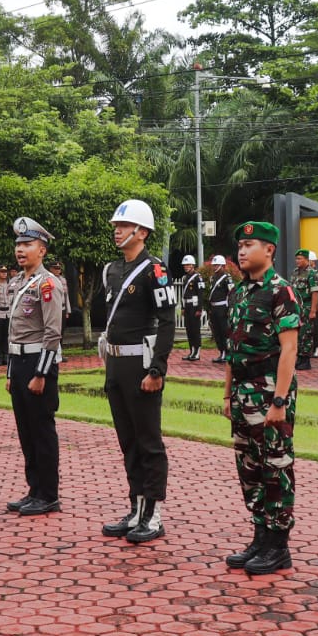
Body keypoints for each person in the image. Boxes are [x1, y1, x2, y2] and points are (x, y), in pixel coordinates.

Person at [97, 200, 178, 544]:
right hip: (116, 364)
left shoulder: (155, 270)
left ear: (141, 232)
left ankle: (152, 514)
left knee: (148, 441)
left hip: (142, 366)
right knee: (127, 440)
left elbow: (166, 322)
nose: (116, 229)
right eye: (115, 224)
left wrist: (157, 367)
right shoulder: (111, 270)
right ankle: (135, 506)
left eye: (124, 224)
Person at [222, 220, 301, 575]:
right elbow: (230, 347)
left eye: (249, 245)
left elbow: (289, 350)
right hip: (241, 392)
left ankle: (278, 545)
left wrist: (280, 401)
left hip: (269, 391)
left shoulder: (281, 291)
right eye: (240, 245)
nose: (242, 251)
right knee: (249, 467)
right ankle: (259, 536)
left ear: (268, 250)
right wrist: (226, 394)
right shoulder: (239, 291)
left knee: (275, 466)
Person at [5, 218, 65, 517]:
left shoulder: (47, 283)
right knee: (25, 431)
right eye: (18, 244)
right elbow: (13, 332)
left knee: (42, 430)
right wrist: (9, 372)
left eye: (27, 244)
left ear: (41, 250)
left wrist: (41, 373)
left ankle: (49, 494)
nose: (20, 250)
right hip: (19, 362)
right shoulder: (17, 283)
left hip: (38, 363)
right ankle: (34, 490)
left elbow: (52, 332)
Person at [289, 249, 318, 370]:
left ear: (307, 260)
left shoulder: (312, 273)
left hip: (307, 307)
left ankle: (306, 360)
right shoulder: (294, 272)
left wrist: (313, 310)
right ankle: (299, 358)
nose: (297, 261)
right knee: (298, 333)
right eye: (296, 258)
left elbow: (315, 292)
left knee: (306, 333)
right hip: (296, 307)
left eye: (300, 259)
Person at [206, 254, 233, 363]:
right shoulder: (212, 278)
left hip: (223, 308)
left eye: (217, 265)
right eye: (214, 265)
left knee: (224, 331)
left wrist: (229, 309)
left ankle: (226, 353)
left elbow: (231, 294)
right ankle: (221, 352)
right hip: (214, 308)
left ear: (222, 266)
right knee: (216, 332)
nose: (215, 267)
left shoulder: (227, 278)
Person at [179, 254, 205, 361]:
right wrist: (182, 307)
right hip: (188, 307)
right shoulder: (185, 278)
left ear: (192, 265)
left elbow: (200, 294)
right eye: (184, 265)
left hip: (195, 307)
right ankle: (191, 351)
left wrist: (199, 309)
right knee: (189, 329)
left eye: (188, 264)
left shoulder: (198, 277)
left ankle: (197, 352)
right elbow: (183, 295)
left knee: (195, 330)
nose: (186, 266)